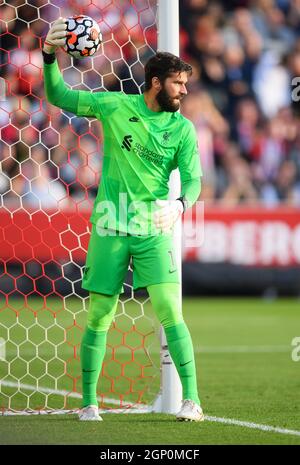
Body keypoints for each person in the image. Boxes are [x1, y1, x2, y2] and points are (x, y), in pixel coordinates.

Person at [42, 18, 203, 422]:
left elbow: (195, 178)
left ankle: (192, 400)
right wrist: (48, 56)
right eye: (177, 83)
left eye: (185, 84)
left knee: (170, 310)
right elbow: (59, 94)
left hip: (154, 228)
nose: (184, 90)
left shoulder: (182, 129)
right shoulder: (114, 105)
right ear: (154, 82)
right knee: (100, 314)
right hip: (111, 226)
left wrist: (182, 204)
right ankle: (89, 404)